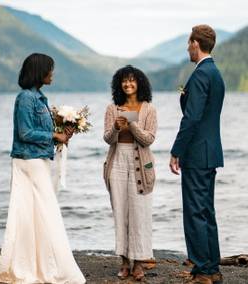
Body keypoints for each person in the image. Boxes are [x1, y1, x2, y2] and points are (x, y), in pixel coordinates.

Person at [0, 53, 86, 284]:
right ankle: (42, 267)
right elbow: (25, 133)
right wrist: (53, 134)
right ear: (39, 71)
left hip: (38, 160)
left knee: (37, 213)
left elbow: (38, 132)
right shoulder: (25, 98)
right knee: (44, 211)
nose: (52, 73)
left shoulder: (40, 98)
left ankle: (39, 264)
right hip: (28, 161)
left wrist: (62, 135)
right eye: (49, 69)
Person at [169, 25, 225, 284]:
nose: (187, 47)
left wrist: (176, 150)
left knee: (194, 212)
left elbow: (192, 118)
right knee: (206, 212)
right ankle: (212, 268)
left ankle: (203, 271)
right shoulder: (215, 73)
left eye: (188, 42)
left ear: (195, 43)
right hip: (210, 151)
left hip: (196, 153)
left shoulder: (201, 74)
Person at [103, 65, 157, 281]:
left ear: (139, 83)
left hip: (141, 163)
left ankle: (139, 264)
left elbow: (149, 139)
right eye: (124, 81)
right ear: (119, 84)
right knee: (120, 211)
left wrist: (132, 124)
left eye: (132, 80)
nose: (128, 84)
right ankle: (124, 262)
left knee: (140, 213)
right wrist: (116, 128)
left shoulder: (149, 109)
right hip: (117, 161)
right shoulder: (112, 108)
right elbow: (107, 138)